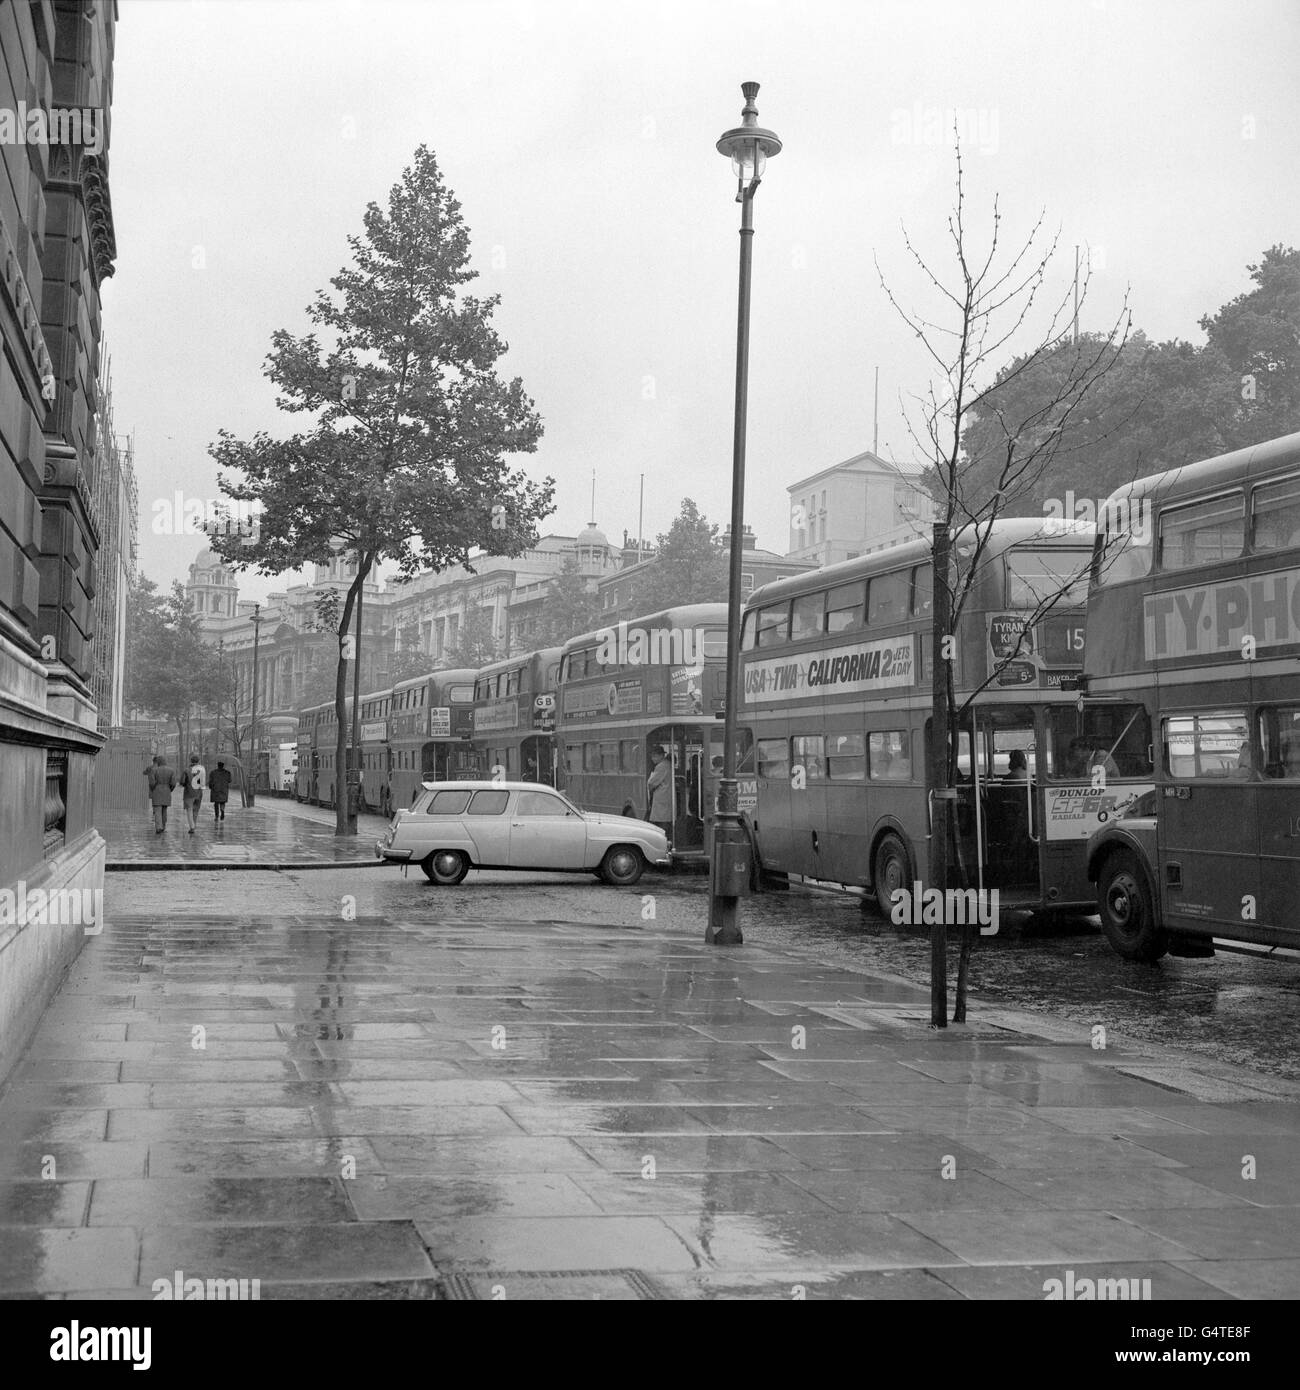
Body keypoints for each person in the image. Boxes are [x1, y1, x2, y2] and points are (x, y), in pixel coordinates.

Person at [646, 744, 673, 842]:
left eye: (655, 756)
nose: (653, 758)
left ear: (662, 755)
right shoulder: (667, 764)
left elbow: (651, 783)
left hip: (662, 797)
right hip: (666, 797)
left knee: (661, 823)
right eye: (652, 756)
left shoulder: (661, 766)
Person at [144, 754, 177, 834]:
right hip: (167, 791)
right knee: (164, 810)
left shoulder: (154, 770)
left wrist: (154, 789)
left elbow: (152, 783)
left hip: (157, 791)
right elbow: (173, 783)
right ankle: (163, 826)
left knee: (157, 810)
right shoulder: (171, 770)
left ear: (158, 762)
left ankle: (159, 827)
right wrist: (169, 789)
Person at [181, 753, 206, 835]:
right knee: (196, 810)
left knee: (189, 809)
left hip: (189, 792)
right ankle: (194, 825)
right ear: (198, 761)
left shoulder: (186, 770)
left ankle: (192, 826)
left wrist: (186, 785)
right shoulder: (202, 770)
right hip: (199, 793)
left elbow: (182, 782)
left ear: (191, 761)